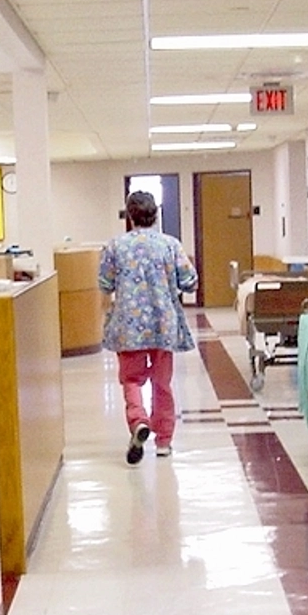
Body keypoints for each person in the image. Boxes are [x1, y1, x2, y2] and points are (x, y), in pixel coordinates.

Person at [98, 191, 199, 464]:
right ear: (155, 215)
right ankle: (164, 441)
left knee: (131, 379)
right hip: (163, 323)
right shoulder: (170, 245)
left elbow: (105, 284)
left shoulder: (115, 246)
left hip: (128, 324)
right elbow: (190, 281)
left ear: (130, 216)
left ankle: (138, 421)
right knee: (162, 383)